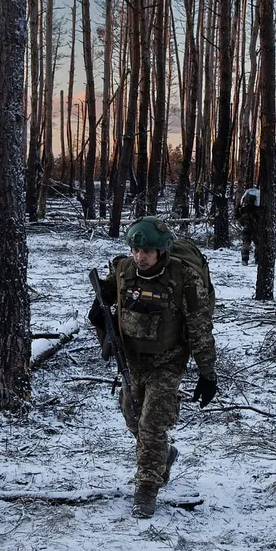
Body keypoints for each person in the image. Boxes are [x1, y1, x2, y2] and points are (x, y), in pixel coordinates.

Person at [89, 216, 218, 518]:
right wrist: (100, 307)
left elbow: (200, 326)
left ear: (161, 251)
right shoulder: (123, 270)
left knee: (152, 424)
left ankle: (146, 488)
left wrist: (207, 372)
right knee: (133, 416)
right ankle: (164, 454)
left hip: (168, 359)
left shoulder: (183, 277)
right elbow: (110, 291)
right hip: (133, 360)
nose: (140, 257)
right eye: (135, 250)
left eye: (146, 252)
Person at [234, 187, 261, 266]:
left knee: (246, 242)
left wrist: (240, 219)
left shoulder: (244, 203)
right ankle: (257, 259)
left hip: (246, 224)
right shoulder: (257, 201)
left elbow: (237, 211)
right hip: (256, 225)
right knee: (257, 242)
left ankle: (245, 259)